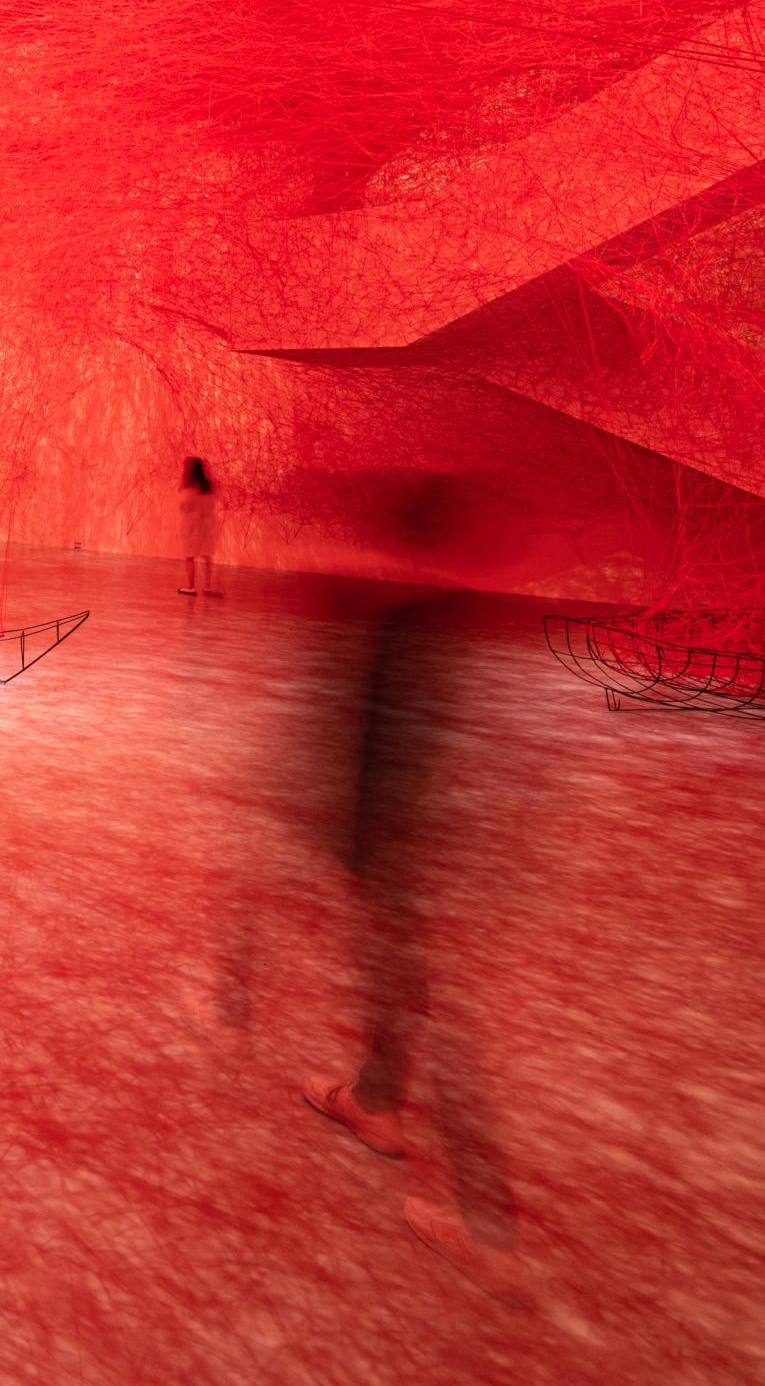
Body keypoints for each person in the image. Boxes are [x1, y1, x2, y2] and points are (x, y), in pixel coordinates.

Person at [299, 476, 523, 1303]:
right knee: (408, 983)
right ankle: (378, 1100)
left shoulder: (410, 630)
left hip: (416, 854)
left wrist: (358, 852)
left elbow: (376, 753)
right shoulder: (472, 628)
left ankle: (493, 1238)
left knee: (450, 1022)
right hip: (447, 859)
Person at [177, 456, 221, 595]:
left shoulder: (189, 485)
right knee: (207, 555)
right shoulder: (208, 485)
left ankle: (191, 587)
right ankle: (208, 586)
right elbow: (212, 504)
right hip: (207, 524)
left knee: (189, 556)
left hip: (192, 524)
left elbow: (185, 505)